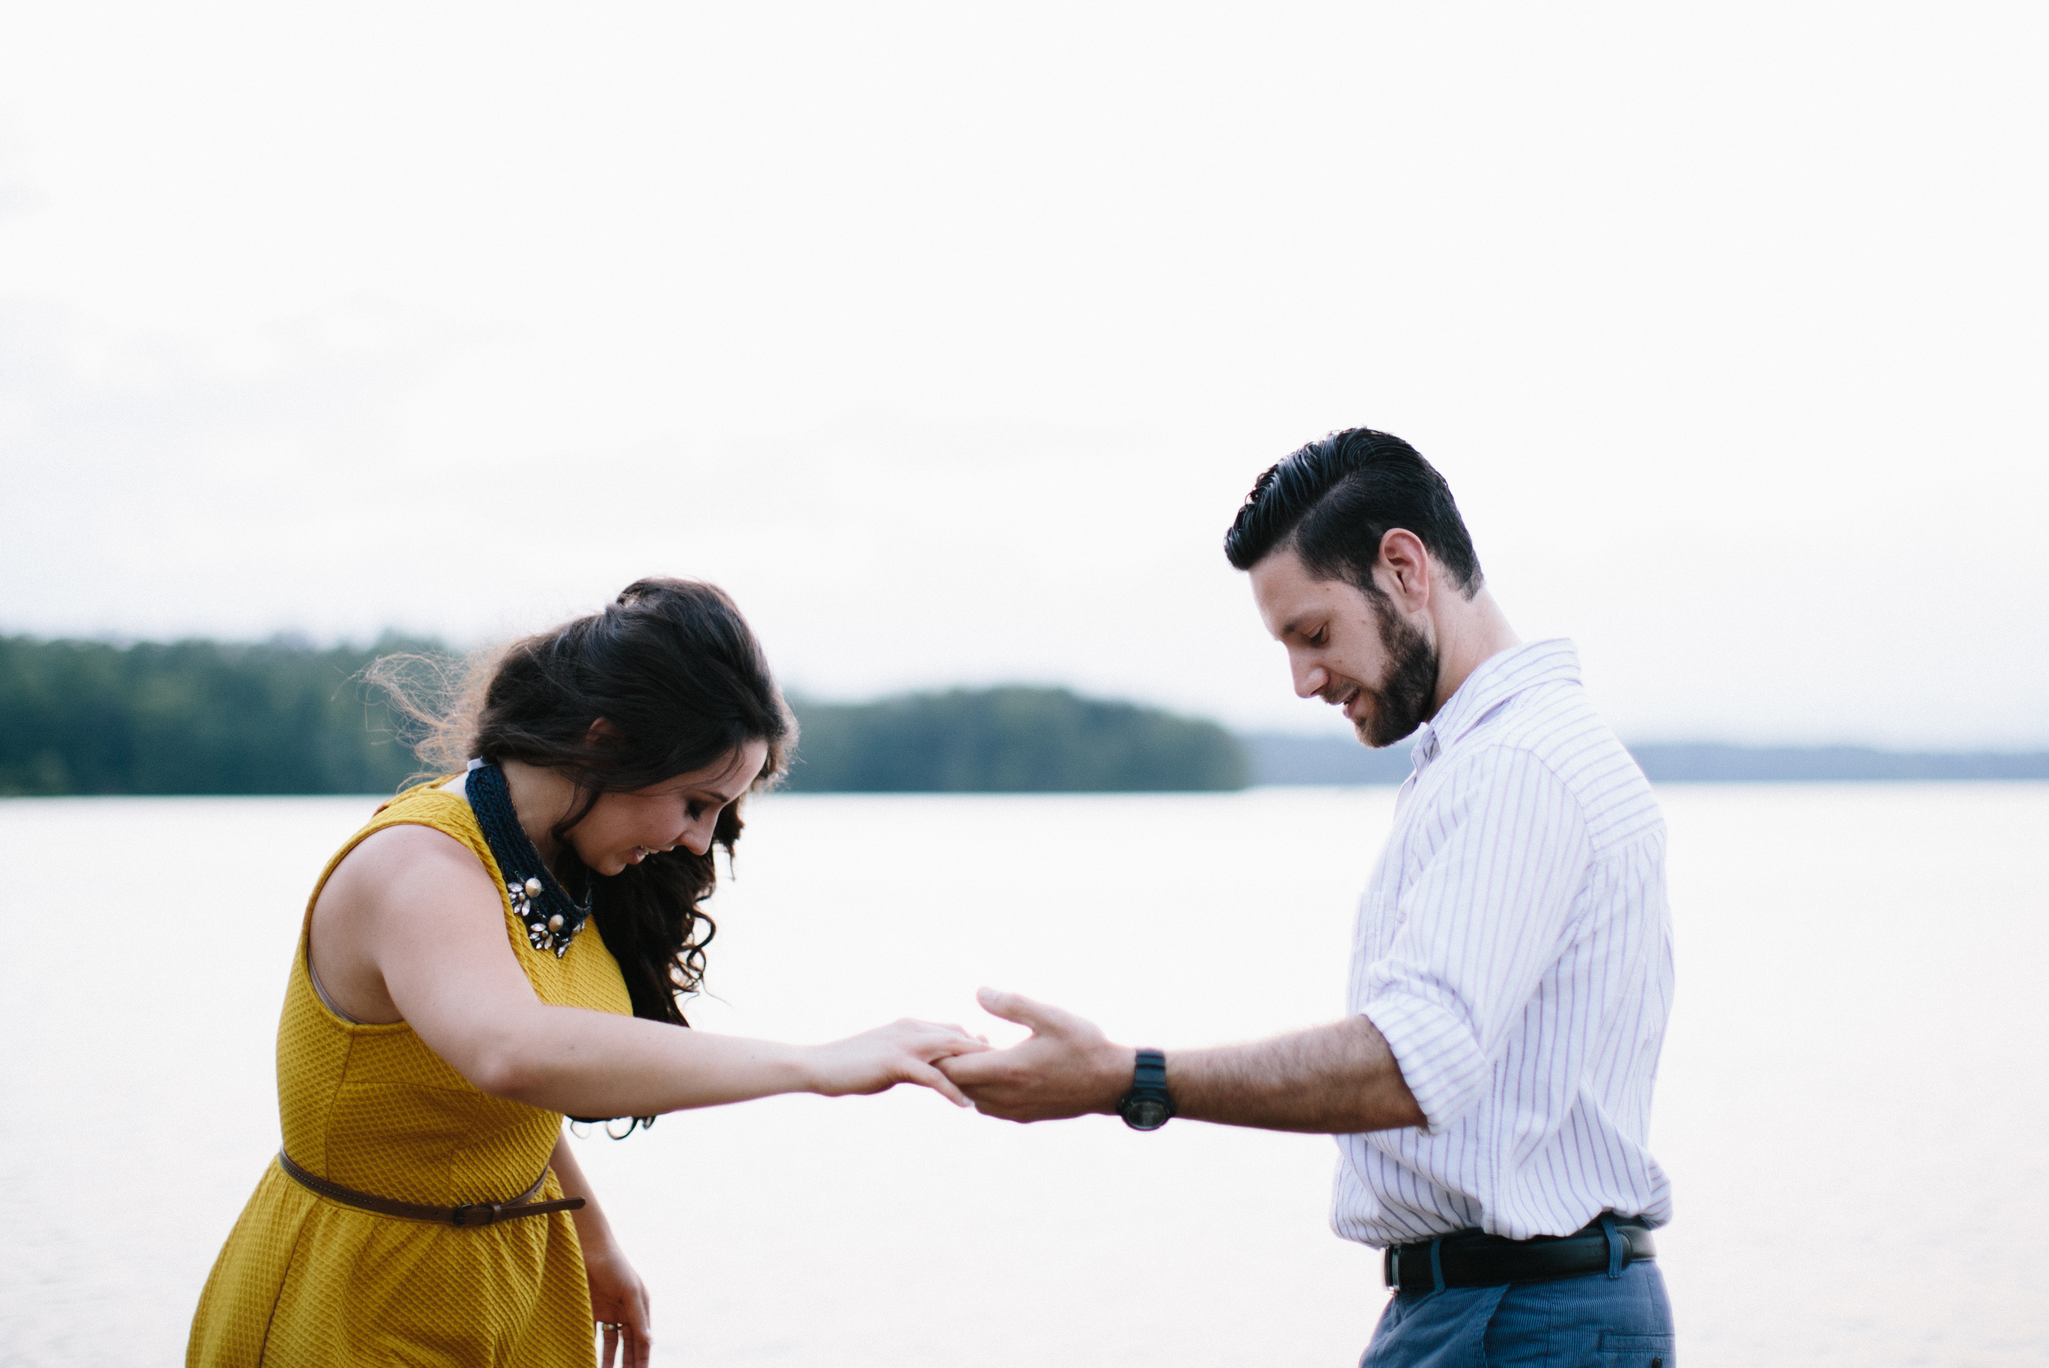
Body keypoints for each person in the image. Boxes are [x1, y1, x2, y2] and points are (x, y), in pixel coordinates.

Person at [940, 429, 1677, 1368]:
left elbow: (1411, 1063)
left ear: (1404, 568)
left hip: (1518, 1319)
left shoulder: (1518, 767)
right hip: (1507, 1307)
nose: (1303, 681)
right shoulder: (1503, 756)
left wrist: (1129, 1080)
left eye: (1314, 634)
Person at [188, 578, 984, 1368]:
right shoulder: (416, 866)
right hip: (360, 1293)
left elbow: (492, 1103)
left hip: (517, 1272)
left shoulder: (558, 858)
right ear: (603, 742)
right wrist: (816, 1066)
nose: (700, 842)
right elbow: (513, 1051)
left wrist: (592, 1236)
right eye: (694, 803)